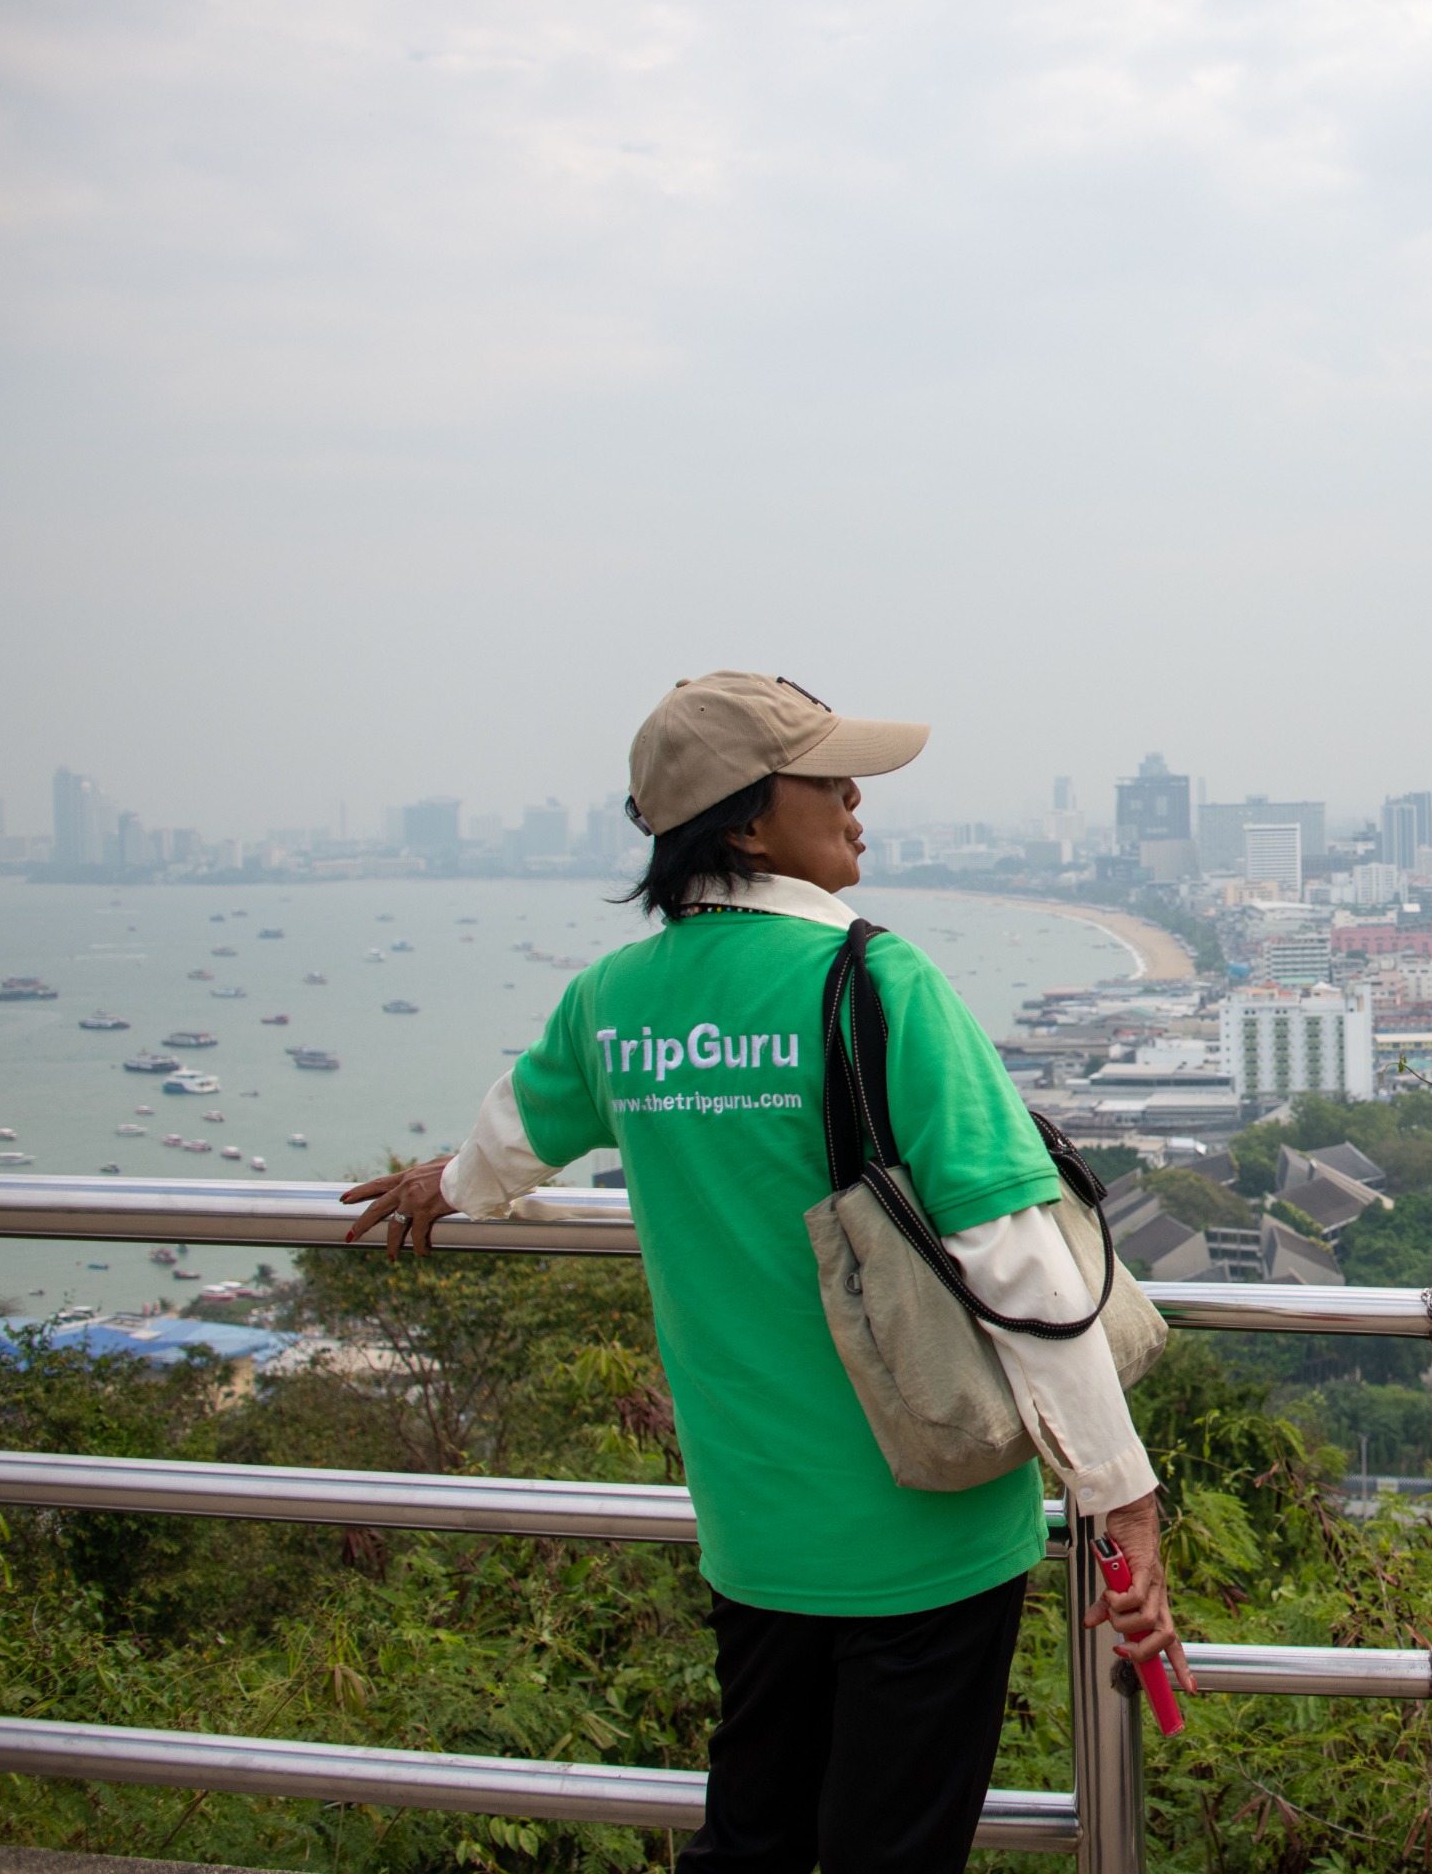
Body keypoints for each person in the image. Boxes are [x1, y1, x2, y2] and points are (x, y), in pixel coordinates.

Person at [340, 670, 1187, 1874]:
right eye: (828, 779)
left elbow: (504, 1146)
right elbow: (1021, 1266)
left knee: (753, 1834)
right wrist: (1124, 1500)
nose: (855, 799)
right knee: (889, 1849)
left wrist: (442, 1188)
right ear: (745, 819)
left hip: (755, 1529)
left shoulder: (614, 999)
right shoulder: (876, 980)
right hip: (926, 1534)